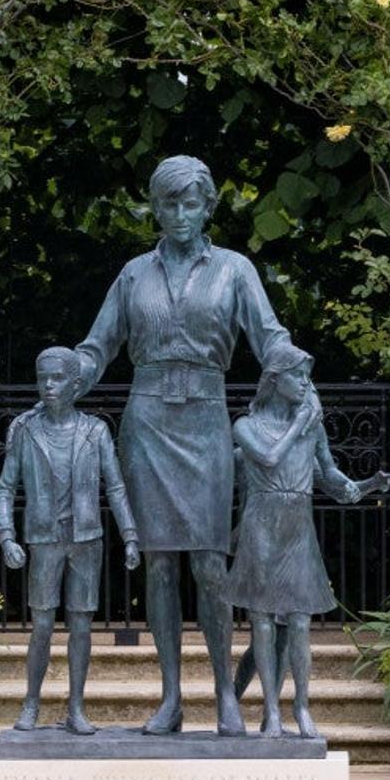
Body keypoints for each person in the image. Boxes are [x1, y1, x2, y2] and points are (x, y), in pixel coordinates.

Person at [75, 155, 291, 736]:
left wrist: (296, 374)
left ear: (208, 206)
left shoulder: (235, 271)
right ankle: (171, 698)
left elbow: (269, 337)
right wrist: (70, 372)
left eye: (189, 203)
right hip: (146, 423)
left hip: (205, 420)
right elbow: (99, 347)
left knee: (210, 563)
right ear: (155, 207)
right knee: (160, 564)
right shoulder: (133, 275)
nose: (178, 214)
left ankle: (224, 692)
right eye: (168, 203)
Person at [229, 341, 390, 737]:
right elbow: (268, 458)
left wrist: (366, 485)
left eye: (308, 376)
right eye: (297, 375)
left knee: (300, 620)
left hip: (297, 524)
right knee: (263, 622)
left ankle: (301, 706)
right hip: (261, 523)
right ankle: (270, 711)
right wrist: (300, 425)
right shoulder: (246, 426)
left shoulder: (310, 426)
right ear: (274, 379)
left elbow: (329, 475)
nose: (305, 384)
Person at [0, 346, 140, 734]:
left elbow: (117, 487)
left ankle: (76, 707)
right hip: (44, 539)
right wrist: (6, 537)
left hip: (86, 539)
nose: (49, 386)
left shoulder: (95, 431)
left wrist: (129, 536)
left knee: (82, 626)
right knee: (41, 625)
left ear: (76, 385)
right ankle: (31, 703)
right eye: (43, 379)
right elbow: (5, 488)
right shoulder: (26, 431)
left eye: (57, 379)